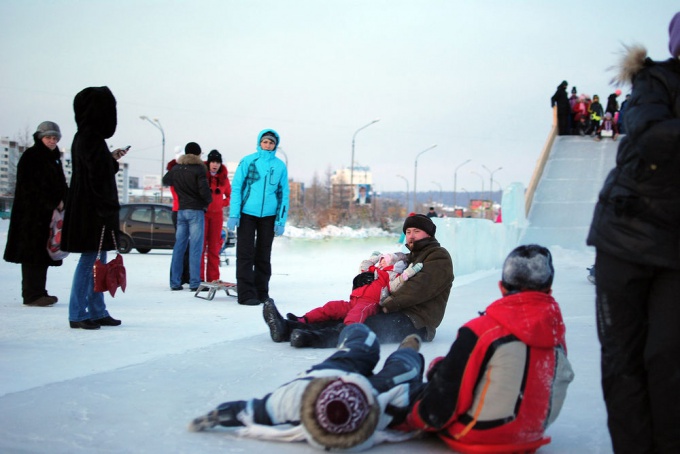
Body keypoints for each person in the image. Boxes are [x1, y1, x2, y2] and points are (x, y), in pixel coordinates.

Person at [587, 14, 680, 453]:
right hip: (626, 238)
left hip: (676, 251)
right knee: (622, 360)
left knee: (668, 361)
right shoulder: (655, 81)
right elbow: (648, 134)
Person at [406, 244, 574, 449]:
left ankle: (405, 361)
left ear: (502, 287)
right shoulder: (555, 335)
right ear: (548, 291)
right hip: (530, 435)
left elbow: (439, 409)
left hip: (478, 434)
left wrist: (411, 418)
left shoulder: (482, 331)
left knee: (418, 384)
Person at [188, 323, 425, 451]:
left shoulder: (291, 401)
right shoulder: (382, 406)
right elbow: (428, 396)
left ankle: (338, 334)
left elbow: (248, 410)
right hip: (370, 389)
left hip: (330, 370)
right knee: (404, 369)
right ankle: (406, 349)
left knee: (361, 335)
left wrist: (222, 414)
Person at [263, 214, 453, 348]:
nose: (411, 236)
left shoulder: (439, 257)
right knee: (348, 314)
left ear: (428, 234)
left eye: (416, 231)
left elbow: (419, 288)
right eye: (408, 231)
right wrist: (365, 282)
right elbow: (388, 281)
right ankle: (288, 329)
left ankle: (311, 339)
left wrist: (385, 303)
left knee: (362, 325)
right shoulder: (408, 258)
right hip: (397, 311)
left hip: (417, 323)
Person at [61, 86, 125, 330]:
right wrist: (106, 207)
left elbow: (98, 170)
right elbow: (97, 177)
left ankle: (97, 310)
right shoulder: (90, 138)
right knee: (90, 263)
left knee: (99, 262)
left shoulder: (88, 138)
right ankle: (78, 313)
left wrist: (110, 160)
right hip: (93, 211)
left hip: (94, 210)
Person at [268, 252, 420, 338]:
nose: (381, 263)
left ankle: (348, 331)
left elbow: (396, 284)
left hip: (369, 303)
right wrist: (373, 259)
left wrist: (408, 273)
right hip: (354, 300)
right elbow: (363, 266)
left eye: (385, 261)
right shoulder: (374, 270)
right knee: (331, 307)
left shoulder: (391, 275)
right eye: (381, 260)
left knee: (357, 313)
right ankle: (303, 319)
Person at [4, 121, 68, 307]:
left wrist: (63, 198)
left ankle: (40, 291)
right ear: (40, 138)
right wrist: (52, 201)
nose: (52, 141)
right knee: (32, 256)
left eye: (55, 138)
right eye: (48, 137)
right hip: (31, 217)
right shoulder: (32, 156)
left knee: (43, 255)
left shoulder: (53, 158)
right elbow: (30, 187)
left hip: (46, 216)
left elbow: (60, 184)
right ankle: (31, 294)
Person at [227, 129, 289, 306]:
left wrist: (280, 220)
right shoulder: (249, 161)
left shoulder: (279, 166)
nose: (268, 145)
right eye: (265, 142)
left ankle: (262, 292)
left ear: (275, 145)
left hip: (268, 216)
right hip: (247, 214)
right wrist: (234, 213)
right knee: (245, 253)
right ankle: (246, 294)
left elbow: (283, 194)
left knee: (263, 254)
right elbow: (237, 187)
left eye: (271, 142)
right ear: (259, 143)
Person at [162, 142, 212, 291]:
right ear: (197, 154)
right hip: (195, 211)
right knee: (196, 248)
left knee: (179, 247)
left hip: (181, 211)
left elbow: (166, 181)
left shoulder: (176, 168)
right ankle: (195, 282)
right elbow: (204, 192)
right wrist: (206, 201)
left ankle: (175, 282)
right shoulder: (199, 169)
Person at [200, 149, 231, 283]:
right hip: (203, 214)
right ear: (208, 162)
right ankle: (199, 278)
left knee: (214, 247)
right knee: (200, 247)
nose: (215, 165)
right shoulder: (202, 176)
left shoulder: (223, 179)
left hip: (217, 216)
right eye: (213, 161)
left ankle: (213, 278)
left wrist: (222, 203)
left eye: (217, 162)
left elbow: (230, 195)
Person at [165, 155, 190, 286]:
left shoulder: (173, 176)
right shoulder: (175, 177)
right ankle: (178, 276)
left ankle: (183, 275)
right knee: (181, 246)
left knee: (184, 246)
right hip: (179, 210)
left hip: (178, 210)